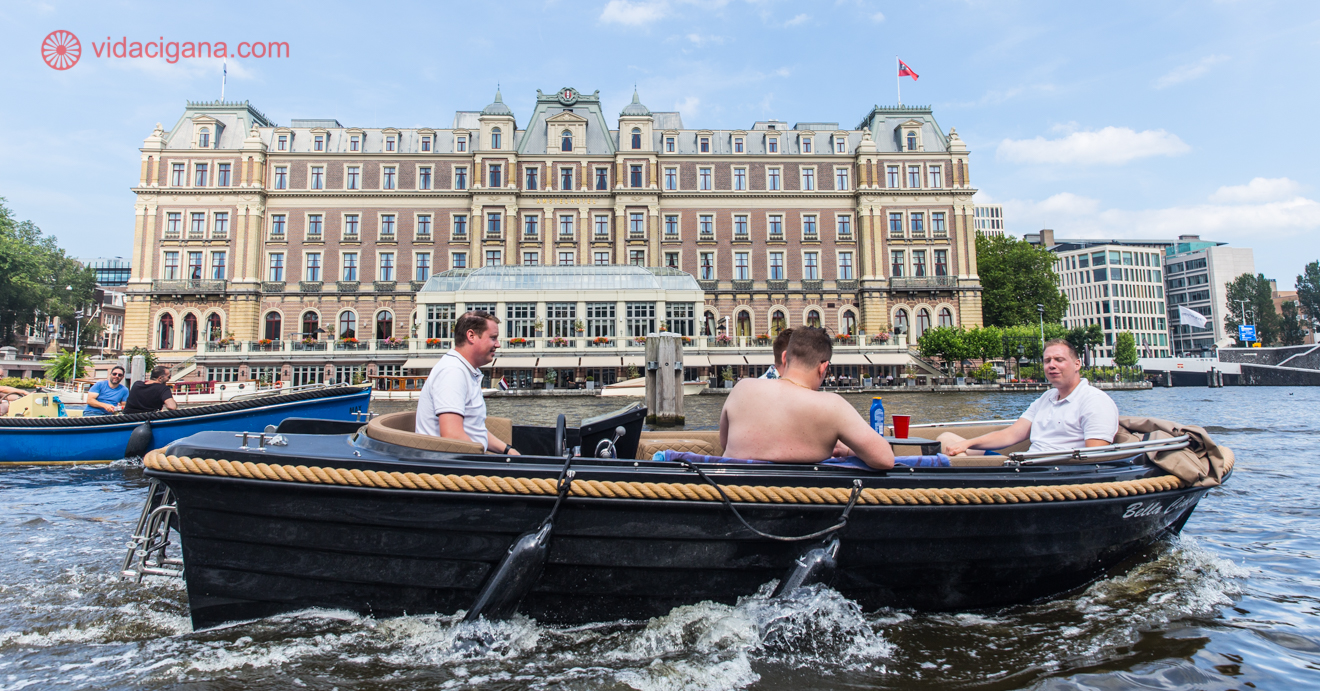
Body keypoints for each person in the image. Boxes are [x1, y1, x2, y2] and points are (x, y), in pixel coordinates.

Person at [720, 327, 895, 470]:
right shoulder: (832, 406)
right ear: (823, 367)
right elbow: (885, 459)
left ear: (784, 358)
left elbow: (724, 443)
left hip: (732, 502)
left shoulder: (741, 389)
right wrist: (845, 450)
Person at [937, 339, 1118, 456]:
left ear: (1077, 364)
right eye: (1047, 361)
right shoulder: (1047, 398)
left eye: (1059, 360)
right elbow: (1012, 434)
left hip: (1049, 474)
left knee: (956, 458)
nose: (1051, 365)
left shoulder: (1095, 401)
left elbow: (1094, 457)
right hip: (1025, 466)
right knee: (946, 438)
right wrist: (967, 444)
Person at [416, 311, 519, 455]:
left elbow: (475, 430)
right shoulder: (453, 372)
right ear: (471, 336)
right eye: (493, 338)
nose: (498, 344)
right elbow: (453, 436)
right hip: (451, 469)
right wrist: (487, 461)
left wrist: (507, 451)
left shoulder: (463, 370)